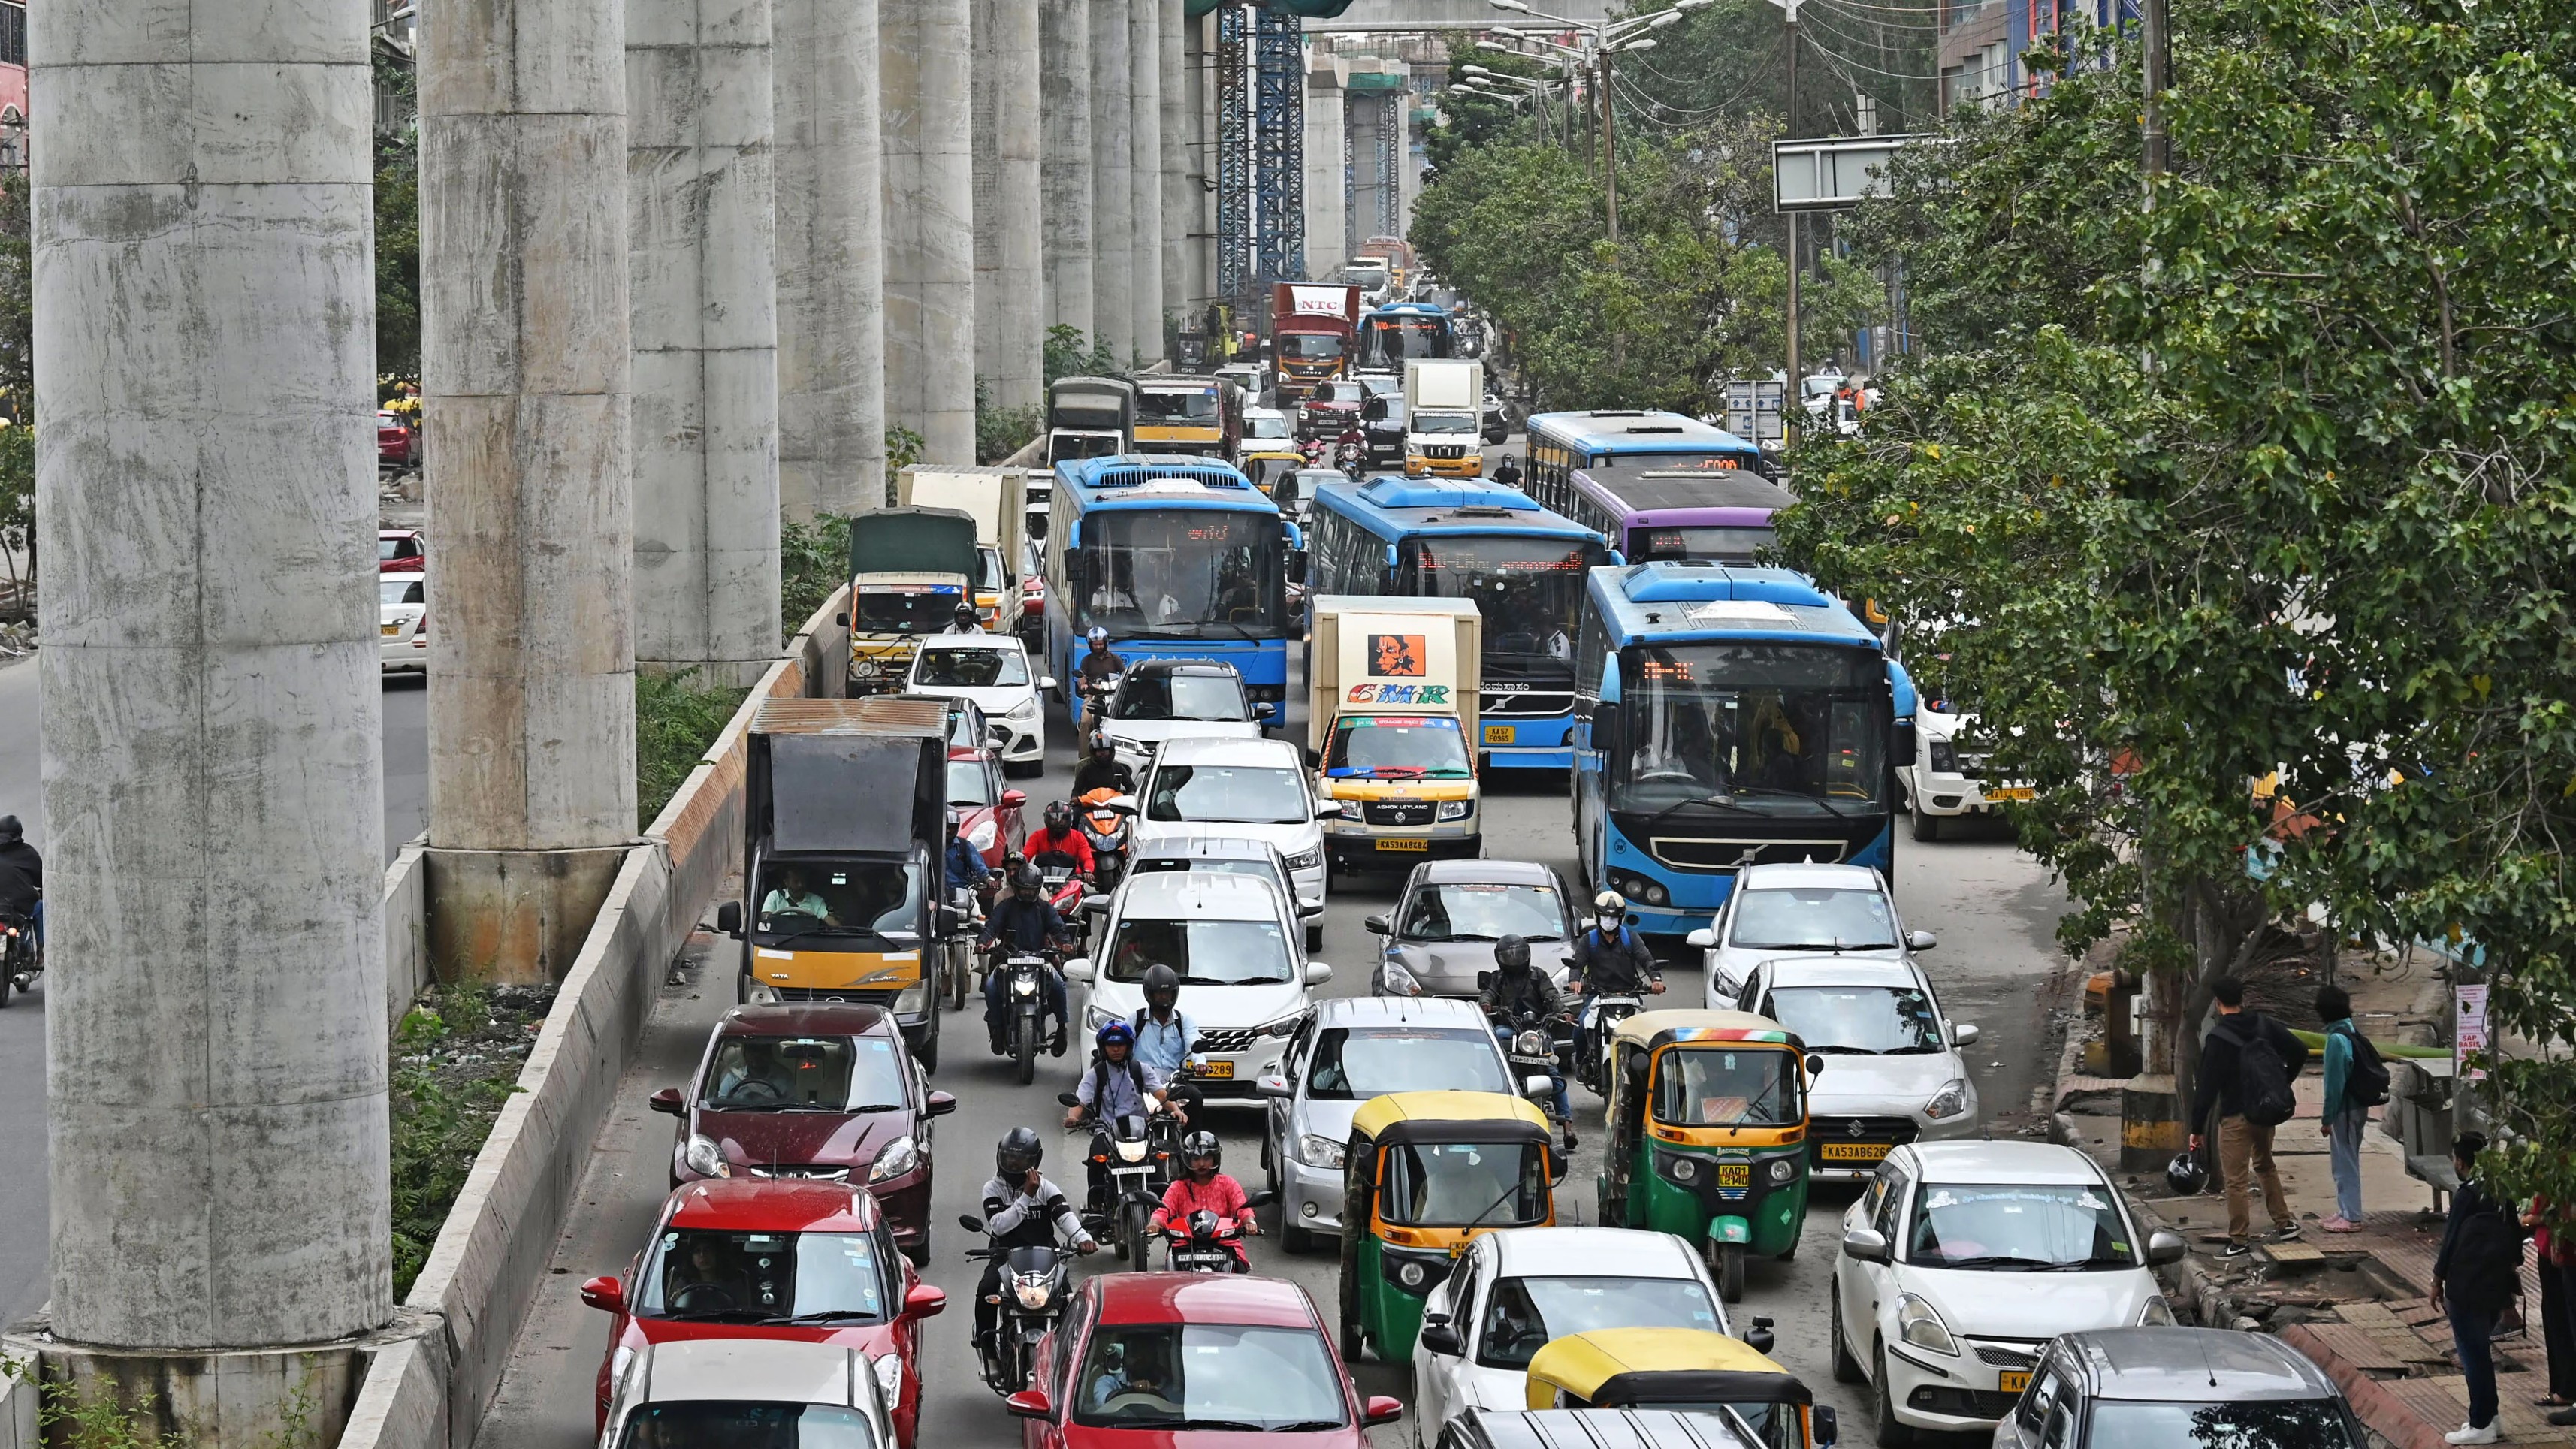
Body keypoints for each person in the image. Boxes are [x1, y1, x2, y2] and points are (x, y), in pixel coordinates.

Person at [2187, 974, 2309, 1257]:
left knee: (2236, 1180)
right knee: (2266, 1166)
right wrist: (2282, 1082)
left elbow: (2206, 1087)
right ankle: (2284, 1223)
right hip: (2265, 1112)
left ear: (2218, 1004)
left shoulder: (2217, 1039)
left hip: (2235, 1119)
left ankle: (2239, 1239)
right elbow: (2299, 1050)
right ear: (2242, 1000)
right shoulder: (2264, 1024)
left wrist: (2197, 1128)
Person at [974, 1128, 1098, 1367]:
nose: (1012, 1163)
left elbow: (1064, 1216)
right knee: (986, 1290)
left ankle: (1071, 1353)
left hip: (1045, 1259)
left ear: (1034, 1161)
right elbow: (999, 1227)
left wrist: (1082, 1238)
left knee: (1069, 1300)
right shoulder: (993, 1188)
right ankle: (988, 1350)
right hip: (1005, 1258)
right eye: (1008, 1157)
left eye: (1019, 1159)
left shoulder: (1047, 1187)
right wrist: (1027, 1196)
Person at [2433, 1132, 2526, 1445]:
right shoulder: (2502, 1192)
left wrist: (2437, 1280)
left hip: (2465, 1287)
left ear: (2460, 1162)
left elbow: (2449, 1242)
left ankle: (2481, 1423)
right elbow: (2516, 1241)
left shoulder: (2466, 1196)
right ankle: (2492, 1417)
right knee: (2481, 1351)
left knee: (2473, 1355)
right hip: (2495, 1286)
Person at [1066, 1022, 1184, 1212]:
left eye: (1120, 1044)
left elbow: (1161, 1094)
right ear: (1103, 1047)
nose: (1115, 1049)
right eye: (1111, 1045)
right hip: (1107, 1131)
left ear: (1129, 1047)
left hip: (1141, 1132)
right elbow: (1079, 1102)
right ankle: (1095, 1208)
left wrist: (1175, 1110)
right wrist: (1072, 1117)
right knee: (1096, 1159)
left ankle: (1164, 1211)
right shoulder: (1096, 1073)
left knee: (1158, 1167)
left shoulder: (1141, 1069)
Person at [1481, 934, 1574, 1148]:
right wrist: (1486, 1003)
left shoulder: (1538, 975)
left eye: (1518, 954)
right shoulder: (1498, 978)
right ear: (1499, 958)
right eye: (1509, 955)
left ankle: (1568, 1125)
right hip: (1510, 1029)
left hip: (1538, 1029)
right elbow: (1489, 993)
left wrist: (1563, 1011)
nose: (1514, 959)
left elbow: (1552, 996)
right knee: (1496, 1053)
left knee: (1553, 1073)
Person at [981, 864, 1074, 1054]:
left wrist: (1065, 943)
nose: (1027, 893)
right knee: (991, 987)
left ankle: (1062, 1028)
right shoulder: (1006, 907)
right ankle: (997, 1029)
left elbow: (1058, 928)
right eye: (1023, 889)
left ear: (1037, 890)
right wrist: (983, 943)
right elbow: (992, 927)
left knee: (1059, 986)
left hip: (1040, 958)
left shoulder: (1045, 908)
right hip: (1008, 958)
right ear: (1016, 888)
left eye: (1031, 890)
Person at [1571, 891, 1664, 1067]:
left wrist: (1656, 979)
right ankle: (1582, 1063)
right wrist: (1575, 980)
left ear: (1621, 918)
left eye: (1614, 918)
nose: (1609, 921)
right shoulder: (1588, 940)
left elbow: (1646, 959)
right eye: (1605, 916)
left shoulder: (1631, 938)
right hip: (1597, 997)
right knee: (1581, 1027)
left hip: (1629, 996)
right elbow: (1577, 963)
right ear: (1597, 917)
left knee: (1647, 1033)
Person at [1149, 1131, 1258, 1271]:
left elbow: (1242, 1207)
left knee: (1240, 1273)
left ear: (1215, 1158)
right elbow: (1164, 1209)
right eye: (1196, 1158)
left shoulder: (1227, 1184)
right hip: (1185, 1245)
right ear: (1187, 1159)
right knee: (1171, 1283)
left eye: (1207, 1158)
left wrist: (1249, 1222)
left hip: (1224, 1243)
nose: (1201, 1163)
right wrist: (1155, 1223)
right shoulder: (1178, 1187)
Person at [2316, 984, 2369, 1233]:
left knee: (2344, 1163)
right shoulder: (2350, 1030)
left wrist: (2327, 1118)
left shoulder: (2336, 1041)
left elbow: (2334, 1085)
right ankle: (2346, 1210)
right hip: (2358, 1107)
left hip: (2345, 1110)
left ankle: (2352, 1216)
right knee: (2346, 1160)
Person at [2526, 1194, 2576, 1423]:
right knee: (2557, 1317)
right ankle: (2563, 1387)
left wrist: (2528, 1219)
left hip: (2561, 1247)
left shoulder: (2560, 1167)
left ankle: (2567, 1389)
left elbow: (2557, 1212)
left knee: (2560, 1320)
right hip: (2553, 1246)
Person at [1024, 801, 1096, 883]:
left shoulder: (1078, 837)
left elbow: (1087, 858)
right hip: (1043, 880)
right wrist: (1020, 866)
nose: (1058, 823)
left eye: (1062, 820)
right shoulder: (1037, 836)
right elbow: (1026, 855)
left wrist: (1088, 871)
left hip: (1072, 879)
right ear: (1047, 819)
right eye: (1054, 819)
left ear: (1069, 819)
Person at [0, 815, 38, 952]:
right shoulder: (27, 852)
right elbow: (41, 879)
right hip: (20, 905)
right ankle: (41, 954)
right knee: (40, 907)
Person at [1071, 732, 1135, 799]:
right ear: (1093, 752)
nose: (1102, 753)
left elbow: (1131, 785)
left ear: (1111, 751)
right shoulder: (1086, 769)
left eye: (1105, 750)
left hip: (1113, 804)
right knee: (1074, 809)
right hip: (1090, 804)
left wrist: (1132, 793)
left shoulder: (1118, 768)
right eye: (1099, 751)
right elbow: (1076, 790)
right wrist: (1074, 798)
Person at [760, 867, 834, 922]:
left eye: (803, 881)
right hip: (779, 940)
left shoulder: (817, 901)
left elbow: (833, 922)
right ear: (786, 882)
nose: (800, 885)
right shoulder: (775, 896)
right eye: (796, 882)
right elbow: (765, 919)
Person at [944, 809, 992, 895]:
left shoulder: (964, 846)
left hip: (964, 893)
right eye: (945, 827)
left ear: (957, 827)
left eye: (951, 828)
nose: (948, 831)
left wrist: (988, 879)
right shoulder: (930, 847)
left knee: (976, 908)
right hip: (936, 895)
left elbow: (978, 865)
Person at [1077, 626, 1128, 691]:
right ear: (1091, 645)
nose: (1098, 647)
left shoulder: (1114, 658)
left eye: (1101, 644)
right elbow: (1082, 676)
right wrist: (1083, 685)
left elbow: (1124, 673)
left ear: (1105, 644)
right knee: (1087, 701)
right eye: (1095, 645)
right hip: (1093, 693)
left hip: (1112, 693)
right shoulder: (1086, 660)